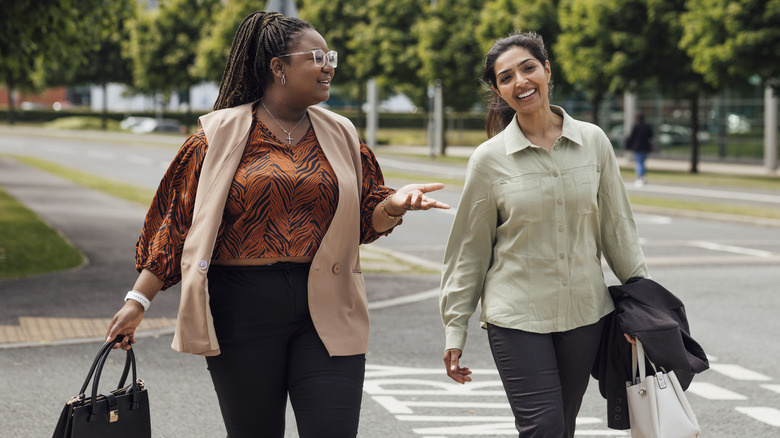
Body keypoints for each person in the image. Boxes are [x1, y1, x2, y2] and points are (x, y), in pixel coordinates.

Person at [105, 11, 449, 438]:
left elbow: (365, 220)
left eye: (331, 57)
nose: (328, 66)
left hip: (329, 302)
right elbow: (174, 224)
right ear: (278, 67)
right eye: (317, 57)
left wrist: (394, 205)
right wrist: (137, 301)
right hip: (242, 310)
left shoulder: (342, 133)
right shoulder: (216, 135)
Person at [439, 32, 649, 438]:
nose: (520, 81)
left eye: (528, 68)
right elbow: (469, 250)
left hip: (584, 314)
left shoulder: (593, 142)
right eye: (506, 77)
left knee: (563, 426)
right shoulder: (488, 160)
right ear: (498, 90)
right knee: (544, 426)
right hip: (516, 315)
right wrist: (455, 327)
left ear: (547, 70)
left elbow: (618, 229)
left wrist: (644, 304)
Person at [625, 113, 653, 187]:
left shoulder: (636, 126)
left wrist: (628, 145)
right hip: (646, 147)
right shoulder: (647, 126)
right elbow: (651, 135)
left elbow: (632, 137)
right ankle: (643, 177)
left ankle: (640, 177)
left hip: (638, 147)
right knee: (642, 163)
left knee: (639, 163)